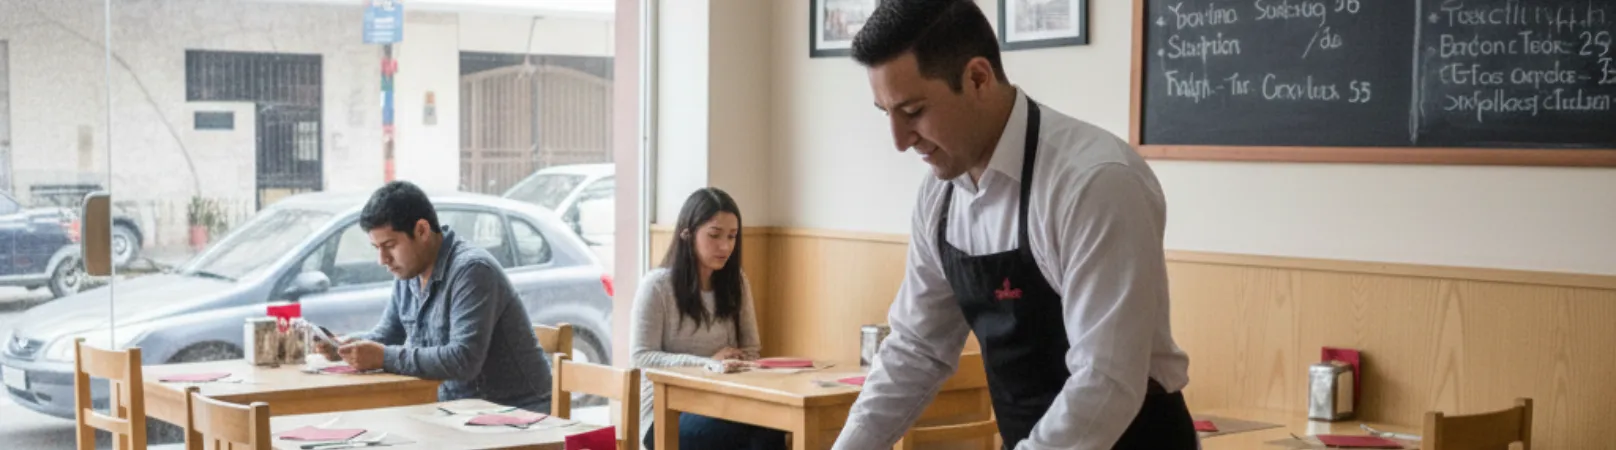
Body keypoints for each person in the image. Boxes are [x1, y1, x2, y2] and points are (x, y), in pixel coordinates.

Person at [831, 1, 1196, 449]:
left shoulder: (1094, 183)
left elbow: (1106, 380)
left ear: (978, 78)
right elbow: (916, 349)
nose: (899, 141)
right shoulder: (940, 195)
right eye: (884, 113)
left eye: (913, 111)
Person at [321, 180, 553, 413]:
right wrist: (347, 346)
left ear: (422, 230)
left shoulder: (472, 270)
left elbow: (463, 360)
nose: (382, 259)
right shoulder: (409, 271)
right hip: (457, 409)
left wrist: (383, 357)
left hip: (517, 413)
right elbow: (389, 335)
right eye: (376, 248)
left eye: (390, 245)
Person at [631, 188, 785, 450]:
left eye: (732, 236)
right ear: (687, 233)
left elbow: (751, 350)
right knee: (744, 435)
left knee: (771, 427)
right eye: (714, 235)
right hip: (664, 412)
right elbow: (641, 357)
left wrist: (736, 363)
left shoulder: (736, 282)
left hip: (725, 400)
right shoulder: (656, 286)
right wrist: (708, 364)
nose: (725, 246)